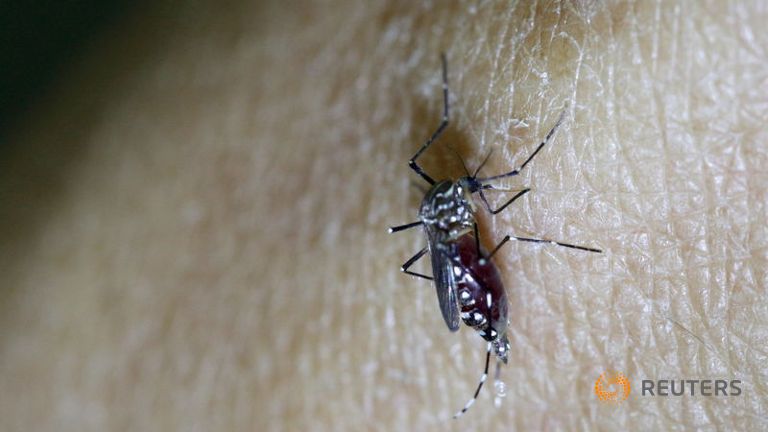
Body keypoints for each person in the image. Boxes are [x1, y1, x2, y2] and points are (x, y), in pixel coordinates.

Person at [1, 1, 764, 430]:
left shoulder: (444, 199)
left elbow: (458, 195)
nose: (468, 190)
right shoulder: (452, 210)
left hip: (448, 240)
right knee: (456, 249)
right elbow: (468, 207)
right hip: (450, 246)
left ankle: (484, 355)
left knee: (450, 232)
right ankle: (483, 361)